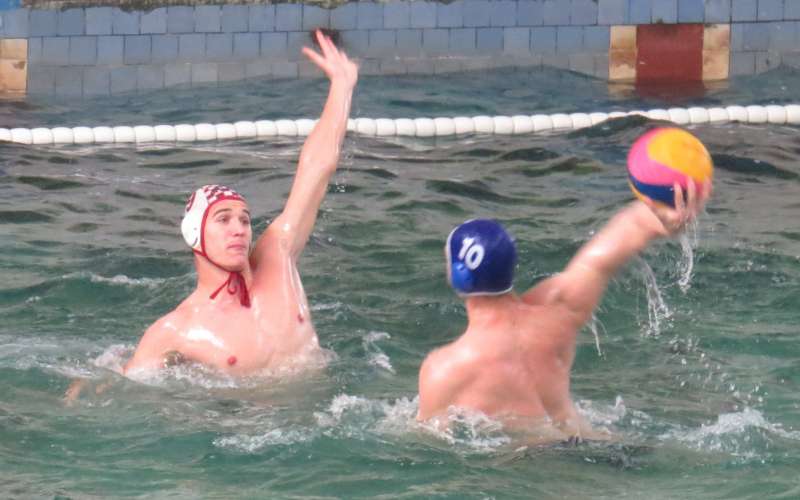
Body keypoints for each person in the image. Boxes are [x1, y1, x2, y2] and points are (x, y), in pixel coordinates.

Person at [122, 30, 358, 376]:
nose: (240, 229)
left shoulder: (278, 256)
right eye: (223, 219)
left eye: (245, 220)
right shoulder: (176, 330)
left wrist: (342, 86)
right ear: (193, 233)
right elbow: (125, 385)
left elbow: (317, 167)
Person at [417, 181, 711, 441]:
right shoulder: (555, 309)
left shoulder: (444, 369)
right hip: (594, 446)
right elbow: (612, 246)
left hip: (532, 464)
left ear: (459, 276)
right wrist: (665, 216)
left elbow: (432, 442)